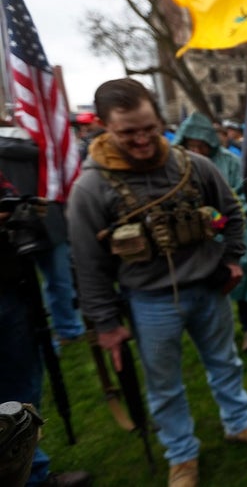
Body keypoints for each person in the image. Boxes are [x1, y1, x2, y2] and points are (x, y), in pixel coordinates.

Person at [67, 79, 247, 487]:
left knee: (226, 364)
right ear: (105, 128)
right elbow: (88, 264)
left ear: (158, 118)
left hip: (208, 290)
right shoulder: (91, 187)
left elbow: (232, 213)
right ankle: (181, 456)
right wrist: (106, 324)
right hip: (149, 302)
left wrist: (233, 259)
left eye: (148, 127)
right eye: (128, 132)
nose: (143, 139)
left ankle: (240, 422)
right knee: (164, 386)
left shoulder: (191, 166)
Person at [1, 170, 92, 487]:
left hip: (8, 285)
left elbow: (9, 193)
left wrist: (13, 205)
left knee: (20, 386)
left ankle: (31, 474)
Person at [173, 112, 247, 352]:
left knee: (244, 279)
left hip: (232, 231)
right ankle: (215, 335)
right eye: (190, 145)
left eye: (200, 145)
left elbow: (238, 198)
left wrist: (215, 220)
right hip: (194, 239)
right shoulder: (176, 166)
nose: (196, 150)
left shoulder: (229, 162)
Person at [0, 124, 85, 346]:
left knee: (28, 289)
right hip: (48, 217)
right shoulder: (35, 144)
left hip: (14, 227)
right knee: (59, 280)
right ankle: (68, 328)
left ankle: (46, 339)